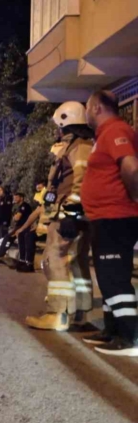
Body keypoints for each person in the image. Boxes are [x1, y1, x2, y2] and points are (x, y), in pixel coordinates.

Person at [25, 101, 94, 331]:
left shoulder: (79, 147)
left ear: (65, 123)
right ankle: (79, 314)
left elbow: (82, 180)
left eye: (59, 125)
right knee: (76, 264)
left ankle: (58, 314)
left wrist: (70, 214)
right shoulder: (77, 145)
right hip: (73, 214)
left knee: (55, 261)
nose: (57, 130)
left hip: (69, 215)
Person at [80, 90, 138, 356]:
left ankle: (129, 337)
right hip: (105, 217)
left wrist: (133, 197)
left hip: (115, 217)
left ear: (97, 108)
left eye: (87, 107)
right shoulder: (104, 135)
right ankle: (112, 330)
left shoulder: (116, 131)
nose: (85, 112)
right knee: (108, 275)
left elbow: (131, 167)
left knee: (113, 276)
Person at [0, 192, 32, 263]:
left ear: (21, 198)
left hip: (23, 227)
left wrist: (15, 217)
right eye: (14, 198)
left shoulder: (24, 206)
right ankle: (0, 253)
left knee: (7, 237)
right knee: (7, 238)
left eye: (17, 197)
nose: (15, 199)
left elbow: (17, 218)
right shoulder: (20, 206)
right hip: (19, 227)